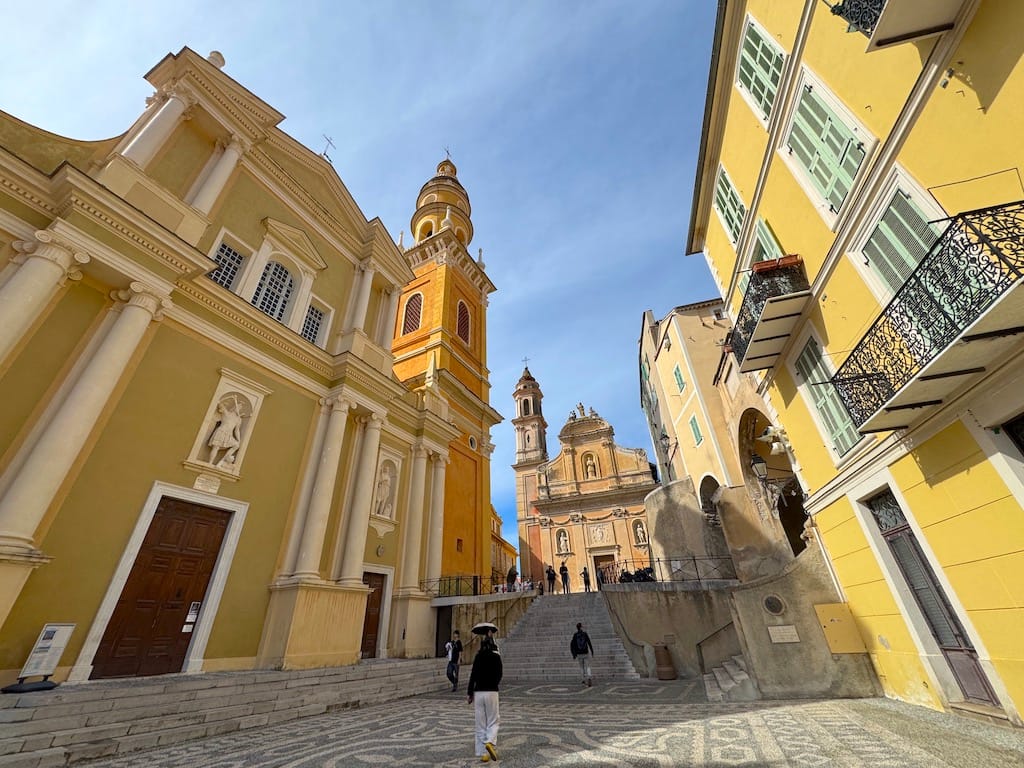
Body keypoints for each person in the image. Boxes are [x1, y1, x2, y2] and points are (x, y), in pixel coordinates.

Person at [468, 623, 502, 762]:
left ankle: (483, 753)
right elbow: (500, 674)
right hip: (492, 691)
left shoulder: (478, 656)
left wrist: (470, 692)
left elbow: (473, 674)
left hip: (478, 692)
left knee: (480, 723)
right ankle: (490, 742)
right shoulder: (496, 656)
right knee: (493, 720)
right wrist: (494, 683)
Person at [570, 621, 595, 687]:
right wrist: (592, 651)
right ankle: (589, 677)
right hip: (585, 652)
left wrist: (574, 654)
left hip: (579, 654)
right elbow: (589, 642)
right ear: (581, 627)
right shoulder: (585, 634)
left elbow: (572, 645)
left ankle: (583, 679)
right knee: (588, 666)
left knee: (581, 667)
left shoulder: (575, 635)